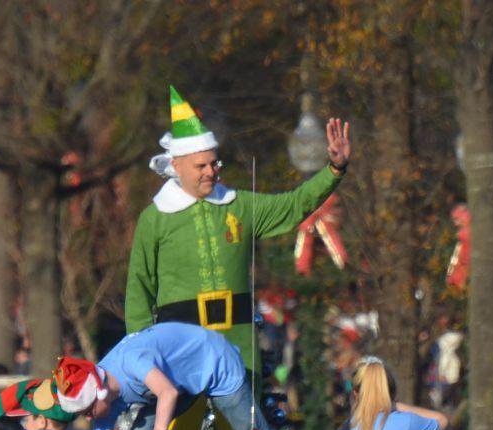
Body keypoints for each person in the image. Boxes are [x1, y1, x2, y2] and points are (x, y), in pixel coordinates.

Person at [125, 87, 349, 383]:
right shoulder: (154, 218)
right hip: (178, 352)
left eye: (214, 163)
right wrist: (142, 353)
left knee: (243, 429)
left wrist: (334, 169)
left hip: (239, 349)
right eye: (200, 166)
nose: (211, 172)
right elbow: (139, 287)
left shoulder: (239, 205)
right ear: (176, 166)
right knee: (176, 428)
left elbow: (295, 205)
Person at [92, 323, 271, 430]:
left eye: (87, 411)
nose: (87, 418)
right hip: (175, 381)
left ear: (100, 392)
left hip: (214, 362)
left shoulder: (131, 360)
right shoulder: (102, 389)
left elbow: (168, 394)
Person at [345, 357, 447, 430]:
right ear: (392, 391)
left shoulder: (348, 429)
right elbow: (442, 421)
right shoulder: (408, 423)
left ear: (355, 393)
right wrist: (394, 405)